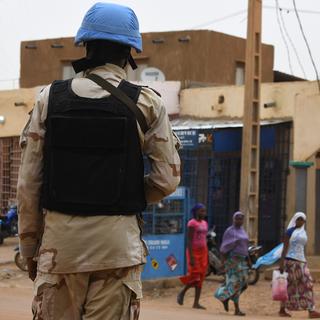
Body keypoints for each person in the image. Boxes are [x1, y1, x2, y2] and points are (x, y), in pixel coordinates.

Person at [17, 3, 181, 319]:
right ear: (130, 53)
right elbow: (166, 179)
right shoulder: (147, 103)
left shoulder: (48, 99)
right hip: (118, 253)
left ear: (86, 45)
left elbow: (28, 185)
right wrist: (122, 193)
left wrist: (29, 250)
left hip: (60, 251)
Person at [279, 212, 320, 318]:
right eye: (298, 219)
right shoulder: (289, 232)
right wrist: (281, 263)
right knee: (288, 286)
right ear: (295, 220)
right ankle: (282, 309)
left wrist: (305, 261)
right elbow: (285, 248)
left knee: (308, 283)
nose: (300, 221)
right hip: (291, 262)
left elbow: (301, 248)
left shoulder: (303, 232)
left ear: (304, 221)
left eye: (302, 220)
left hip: (301, 262)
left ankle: (311, 310)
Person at [214, 211, 250, 316]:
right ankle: (236, 309)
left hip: (242, 261)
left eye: (241, 218)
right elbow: (224, 248)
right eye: (237, 218)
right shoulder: (230, 231)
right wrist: (223, 263)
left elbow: (245, 247)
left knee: (245, 284)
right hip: (233, 261)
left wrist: (249, 260)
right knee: (236, 285)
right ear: (233, 219)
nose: (239, 220)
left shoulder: (243, 230)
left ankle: (225, 297)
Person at [177, 203, 208, 309]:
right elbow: (189, 240)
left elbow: (204, 238)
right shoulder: (192, 223)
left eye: (204, 211)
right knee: (195, 275)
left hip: (203, 251)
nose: (204, 213)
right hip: (194, 251)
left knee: (201, 276)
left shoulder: (205, 223)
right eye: (202, 211)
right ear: (196, 212)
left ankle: (196, 303)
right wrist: (191, 256)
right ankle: (182, 292)